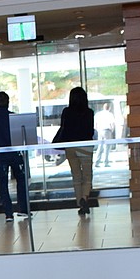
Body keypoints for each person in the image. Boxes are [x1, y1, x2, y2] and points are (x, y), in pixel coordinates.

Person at [0, 91, 29, 222]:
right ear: (8, 102)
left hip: (1, 155)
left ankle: (8, 213)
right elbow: (22, 137)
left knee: (3, 184)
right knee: (21, 180)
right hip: (15, 153)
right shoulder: (14, 118)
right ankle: (23, 209)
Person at [52, 86, 95, 217]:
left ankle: (79, 202)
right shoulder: (89, 112)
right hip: (86, 146)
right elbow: (90, 131)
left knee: (76, 175)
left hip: (70, 147)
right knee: (87, 175)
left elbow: (64, 128)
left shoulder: (66, 112)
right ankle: (85, 197)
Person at [94, 101, 116, 168]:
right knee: (107, 147)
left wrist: (97, 130)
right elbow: (112, 124)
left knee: (100, 146)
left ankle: (97, 162)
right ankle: (106, 162)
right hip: (107, 130)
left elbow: (95, 124)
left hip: (100, 130)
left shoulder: (98, 114)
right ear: (109, 108)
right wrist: (112, 130)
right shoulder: (110, 114)